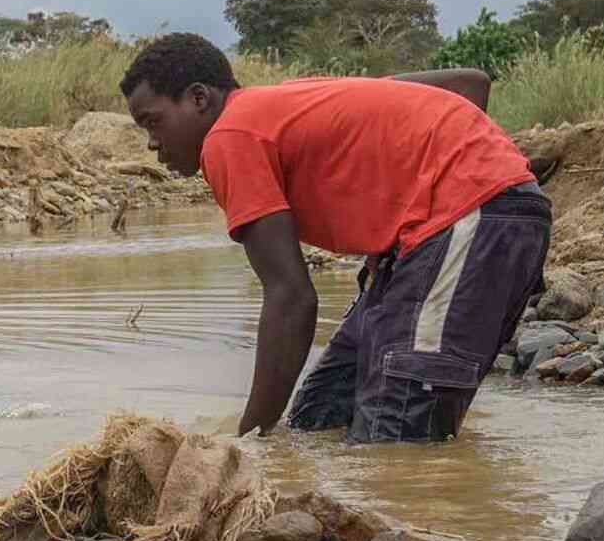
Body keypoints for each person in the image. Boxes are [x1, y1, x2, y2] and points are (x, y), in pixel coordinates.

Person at [119, 33, 550, 443]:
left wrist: (249, 441)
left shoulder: (229, 137)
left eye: (153, 123)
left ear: (198, 98)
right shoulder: (284, 103)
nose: (153, 144)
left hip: (469, 218)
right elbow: (469, 84)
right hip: (451, 226)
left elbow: (291, 297)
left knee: (396, 441)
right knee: (318, 420)